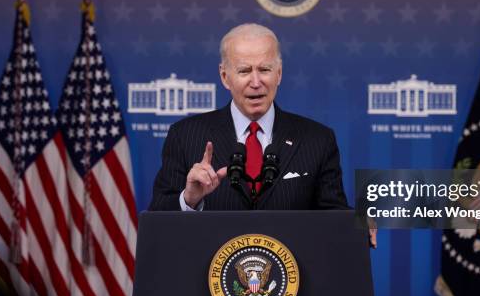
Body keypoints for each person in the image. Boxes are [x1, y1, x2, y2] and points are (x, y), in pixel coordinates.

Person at [149, 23, 376, 247]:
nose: (256, 82)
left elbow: (332, 214)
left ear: (278, 74)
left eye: (264, 70)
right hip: (209, 278)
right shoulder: (185, 136)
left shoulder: (317, 139)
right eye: (244, 71)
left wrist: (358, 222)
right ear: (225, 76)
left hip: (292, 278)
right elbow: (157, 220)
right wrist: (189, 200)